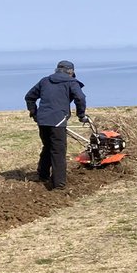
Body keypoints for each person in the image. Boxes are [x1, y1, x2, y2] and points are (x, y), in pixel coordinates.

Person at [25, 60, 88, 190]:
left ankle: (42, 175)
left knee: (48, 146)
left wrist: (34, 113)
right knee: (58, 151)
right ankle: (59, 184)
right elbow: (80, 98)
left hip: (42, 121)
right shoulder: (71, 82)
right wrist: (81, 115)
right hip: (58, 121)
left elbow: (29, 97)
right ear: (71, 72)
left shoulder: (45, 81)